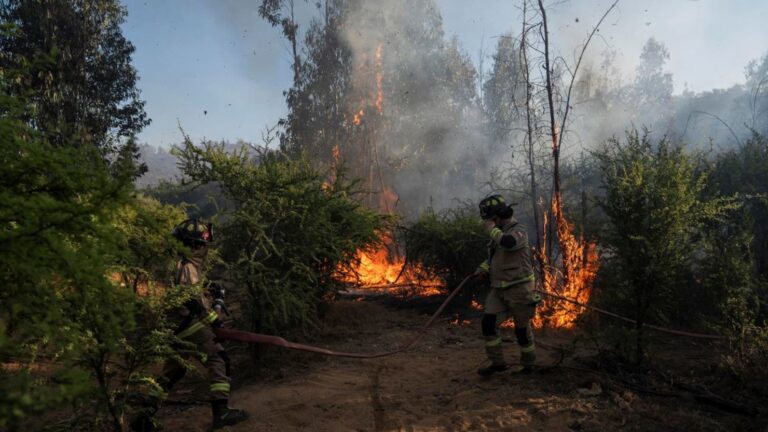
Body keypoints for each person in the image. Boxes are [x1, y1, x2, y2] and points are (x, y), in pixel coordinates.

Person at [131, 219, 248, 431]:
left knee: (174, 370)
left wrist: (212, 294)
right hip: (187, 324)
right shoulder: (187, 267)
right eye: (203, 245)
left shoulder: (186, 265)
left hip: (177, 325)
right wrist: (214, 319)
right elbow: (192, 302)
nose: (206, 249)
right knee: (218, 357)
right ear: (194, 245)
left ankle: (144, 416)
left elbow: (194, 294)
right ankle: (221, 413)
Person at [474, 195, 540, 376]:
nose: (488, 223)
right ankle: (498, 363)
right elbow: (494, 258)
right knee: (488, 323)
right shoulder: (499, 232)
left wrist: (492, 231)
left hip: (520, 288)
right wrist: (482, 269)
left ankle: (528, 365)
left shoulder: (518, 230)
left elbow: (509, 244)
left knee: (521, 330)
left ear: (498, 216)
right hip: (500, 289)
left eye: (490, 219)